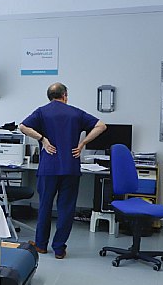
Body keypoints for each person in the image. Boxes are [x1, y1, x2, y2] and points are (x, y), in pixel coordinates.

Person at [19, 83, 106, 259]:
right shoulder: (76, 112)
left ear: (49, 96)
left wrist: (43, 139)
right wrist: (82, 144)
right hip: (71, 167)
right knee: (66, 208)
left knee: (44, 206)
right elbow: (101, 126)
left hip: (48, 168)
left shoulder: (42, 112)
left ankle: (41, 245)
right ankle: (59, 248)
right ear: (65, 95)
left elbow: (22, 126)